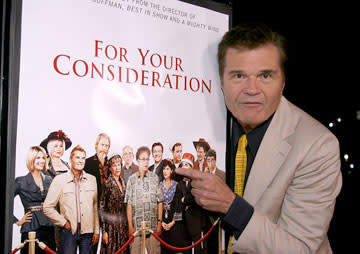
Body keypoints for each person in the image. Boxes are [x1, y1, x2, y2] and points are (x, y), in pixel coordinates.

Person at [176, 22, 342, 253]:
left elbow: (300, 249)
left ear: (283, 82)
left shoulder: (317, 146)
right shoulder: (204, 123)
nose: (252, 89)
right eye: (238, 75)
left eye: (265, 75)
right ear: (222, 83)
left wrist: (231, 206)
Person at [43, 145, 99, 254]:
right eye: (77, 157)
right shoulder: (59, 180)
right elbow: (47, 207)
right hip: (69, 232)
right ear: (70, 159)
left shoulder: (92, 180)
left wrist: (96, 231)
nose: (80, 161)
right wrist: (63, 223)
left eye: (83, 158)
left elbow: (94, 207)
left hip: (88, 232)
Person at [13, 146, 56, 254]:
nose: (41, 161)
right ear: (31, 160)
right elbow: (5, 201)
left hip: (48, 226)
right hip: (31, 226)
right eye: (38, 158)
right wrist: (17, 221)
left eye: (43, 158)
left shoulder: (49, 180)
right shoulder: (20, 181)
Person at [125, 146, 164, 254]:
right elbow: (129, 204)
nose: (146, 162)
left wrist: (159, 223)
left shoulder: (154, 178)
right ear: (137, 161)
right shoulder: (131, 180)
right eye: (143, 159)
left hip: (152, 227)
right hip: (136, 229)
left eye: (147, 159)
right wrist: (130, 226)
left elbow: (160, 201)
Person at [39, 130, 72, 252]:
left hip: (66, 214)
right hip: (49, 218)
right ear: (48, 147)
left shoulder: (68, 166)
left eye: (61, 146)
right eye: (55, 146)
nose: (58, 149)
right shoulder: (43, 166)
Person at [83, 133, 111, 253]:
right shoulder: (87, 163)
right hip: (92, 208)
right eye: (102, 144)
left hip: (108, 210)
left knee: (108, 243)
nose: (104, 148)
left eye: (107, 145)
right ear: (96, 145)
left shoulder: (111, 164)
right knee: (92, 243)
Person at [99, 154, 129, 254]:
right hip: (111, 228)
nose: (117, 168)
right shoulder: (107, 183)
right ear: (110, 168)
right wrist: (104, 231)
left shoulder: (123, 181)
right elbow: (102, 207)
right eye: (114, 165)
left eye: (119, 165)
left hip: (123, 226)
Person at [160, 159, 190, 254]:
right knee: (164, 248)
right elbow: (157, 205)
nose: (165, 171)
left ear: (172, 170)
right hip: (163, 222)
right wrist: (161, 222)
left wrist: (173, 222)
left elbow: (179, 206)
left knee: (175, 248)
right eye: (164, 169)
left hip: (175, 222)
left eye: (168, 169)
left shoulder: (177, 185)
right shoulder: (159, 185)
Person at [181, 153, 209, 254]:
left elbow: (196, 197)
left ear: (191, 167)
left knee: (197, 246)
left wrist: (185, 200)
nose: (184, 167)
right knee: (186, 247)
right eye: (183, 164)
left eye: (186, 165)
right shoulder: (181, 182)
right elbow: (178, 199)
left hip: (195, 218)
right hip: (183, 220)